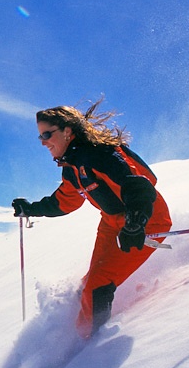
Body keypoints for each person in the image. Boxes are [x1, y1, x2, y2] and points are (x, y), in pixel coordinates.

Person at [12, 97, 172, 339]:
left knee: (98, 285)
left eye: (47, 135)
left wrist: (136, 221)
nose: (43, 142)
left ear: (67, 131)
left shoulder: (101, 155)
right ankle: (74, 340)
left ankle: (88, 351)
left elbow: (139, 186)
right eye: (40, 137)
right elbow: (64, 202)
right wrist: (31, 209)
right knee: (86, 286)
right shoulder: (72, 167)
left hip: (146, 221)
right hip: (111, 222)